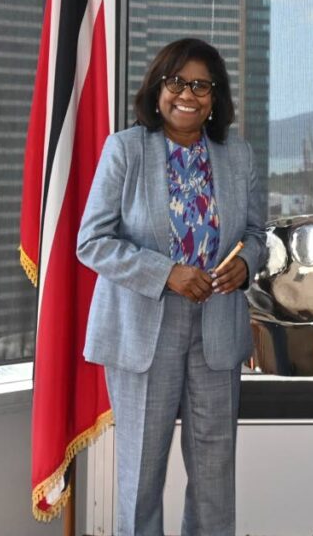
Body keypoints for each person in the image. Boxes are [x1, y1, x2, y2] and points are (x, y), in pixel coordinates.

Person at [77, 37, 265, 536]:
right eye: (177, 82)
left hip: (218, 328)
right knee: (141, 472)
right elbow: (91, 242)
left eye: (201, 85)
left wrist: (246, 264)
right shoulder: (126, 149)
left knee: (214, 474)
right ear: (158, 89)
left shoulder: (237, 154)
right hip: (144, 328)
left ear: (215, 96)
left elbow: (256, 235)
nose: (189, 93)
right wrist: (168, 274)